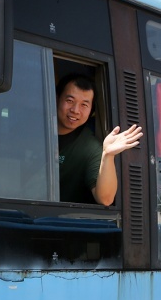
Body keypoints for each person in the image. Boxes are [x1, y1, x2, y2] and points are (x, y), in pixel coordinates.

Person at [56, 72, 143, 206]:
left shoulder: (90, 148)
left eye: (84, 105)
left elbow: (105, 199)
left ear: (91, 110)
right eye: (70, 101)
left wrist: (108, 155)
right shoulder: (32, 130)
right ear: (56, 99)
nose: (75, 110)